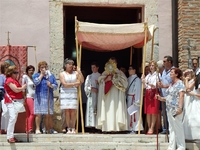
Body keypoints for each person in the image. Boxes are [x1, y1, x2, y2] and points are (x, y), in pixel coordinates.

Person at [96, 57, 128, 132]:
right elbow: (100, 80)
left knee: (116, 109)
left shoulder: (120, 72)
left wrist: (116, 79)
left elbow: (125, 83)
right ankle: (106, 128)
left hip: (116, 94)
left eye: (114, 63)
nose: (112, 64)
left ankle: (115, 128)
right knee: (107, 110)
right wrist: (106, 80)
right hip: (107, 95)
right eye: (111, 62)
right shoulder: (105, 72)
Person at [156, 68, 185, 150]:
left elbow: (181, 95)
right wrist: (161, 98)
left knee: (178, 127)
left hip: (176, 109)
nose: (170, 74)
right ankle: (172, 146)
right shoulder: (172, 84)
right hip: (169, 109)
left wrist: (180, 107)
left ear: (176, 74)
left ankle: (181, 146)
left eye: (172, 72)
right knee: (171, 128)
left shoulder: (180, 84)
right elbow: (169, 97)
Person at [33, 61, 58, 134]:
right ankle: (37, 129)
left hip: (48, 97)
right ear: (39, 68)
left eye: (45, 67)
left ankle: (48, 129)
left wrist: (51, 85)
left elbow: (56, 86)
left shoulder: (51, 76)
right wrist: (41, 75)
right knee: (38, 113)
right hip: (39, 96)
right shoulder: (36, 75)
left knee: (48, 114)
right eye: (42, 67)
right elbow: (36, 83)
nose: (43, 69)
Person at [59, 58, 83, 134]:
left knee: (73, 111)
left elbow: (81, 81)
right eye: (69, 64)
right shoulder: (62, 74)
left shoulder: (75, 73)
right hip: (65, 94)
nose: (71, 65)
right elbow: (64, 84)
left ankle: (73, 127)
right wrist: (74, 84)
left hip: (73, 93)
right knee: (67, 111)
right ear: (65, 65)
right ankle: (68, 127)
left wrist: (80, 72)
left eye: (72, 64)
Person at [4, 66, 27, 143]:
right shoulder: (9, 80)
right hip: (11, 101)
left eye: (17, 72)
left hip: (17, 101)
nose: (17, 74)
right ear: (10, 73)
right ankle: (9, 136)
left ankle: (11, 136)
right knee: (12, 117)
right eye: (15, 73)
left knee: (14, 119)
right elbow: (16, 90)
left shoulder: (15, 80)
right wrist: (23, 87)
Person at [141, 61, 160, 134]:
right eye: (150, 65)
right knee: (148, 112)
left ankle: (152, 127)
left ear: (155, 66)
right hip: (148, 93)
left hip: (154, 92)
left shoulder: (157, 75)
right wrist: (143, 81)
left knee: (154, 111)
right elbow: (145, 87)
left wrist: (146, 82)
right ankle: (149, 127)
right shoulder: (148, 75)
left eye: (153, 65)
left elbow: (155, 85)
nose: (151, 67)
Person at [157, 56, 174, 134]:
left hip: (171, 96)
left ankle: (171, 129)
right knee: (164, 113)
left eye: (164, 61)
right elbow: (162, 81)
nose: (163, 63)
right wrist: (160, 84)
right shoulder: (164, 71)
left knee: (170, 112)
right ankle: (165, 128)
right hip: (163, 95)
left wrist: (164, 86)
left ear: (169, 62)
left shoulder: (174, 71)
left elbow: (174, 83)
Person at [182, 69, 200, 140]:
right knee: (186, 114)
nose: (187, 75)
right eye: (186, 74)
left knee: (193, 116)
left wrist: (186, 80)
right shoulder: (188, 81)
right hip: (187, 98)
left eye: (188, 73)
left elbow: (188, 88)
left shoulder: (194, 81)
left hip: (191, 99)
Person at [127, 65, 143, 133]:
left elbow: (138, 90)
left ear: (134, 70)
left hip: (134, 98)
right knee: (129, 113)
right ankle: (130, 128)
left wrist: (137, 100)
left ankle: (135, 128)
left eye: (131, 69)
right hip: (129, 97)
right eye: (129, 69)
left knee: (135, 114)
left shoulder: (137, 80)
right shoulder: (128, 78)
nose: (129, 70)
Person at [84, 62, 101, 132]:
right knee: (91, 110)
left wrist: (99, 87)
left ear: (97, 67)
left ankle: (99, 126)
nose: (93, 69)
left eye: (94, 67)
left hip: (99, 96)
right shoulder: (89, 76)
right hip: (91, 95)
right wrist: (90, 89)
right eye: (92, 67)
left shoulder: (101, 76)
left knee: (99, 110)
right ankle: (92, 127)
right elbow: (86, 86)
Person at [22, 65, 35, 134]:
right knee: (32, 113)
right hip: (28, 96)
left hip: (34, 97)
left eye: (32, 70)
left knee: (30, 113)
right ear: (27, 71)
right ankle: (29, 128)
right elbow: (23, 87)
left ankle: (28, 128)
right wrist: (24, 97)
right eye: (30, 70)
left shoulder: (33, 78)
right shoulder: (25, 77)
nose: (31, 71)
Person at [0, 62, 10, 134]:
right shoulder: (2, 76)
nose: (7, 68)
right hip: (3, 96)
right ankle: (3, 129)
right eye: (6, 67)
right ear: (3, 68)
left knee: (9, 113)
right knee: (5, 111)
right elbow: (0, 86)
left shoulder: (10, 77)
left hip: (10, 97)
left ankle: (7, 128)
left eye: (8, 67)